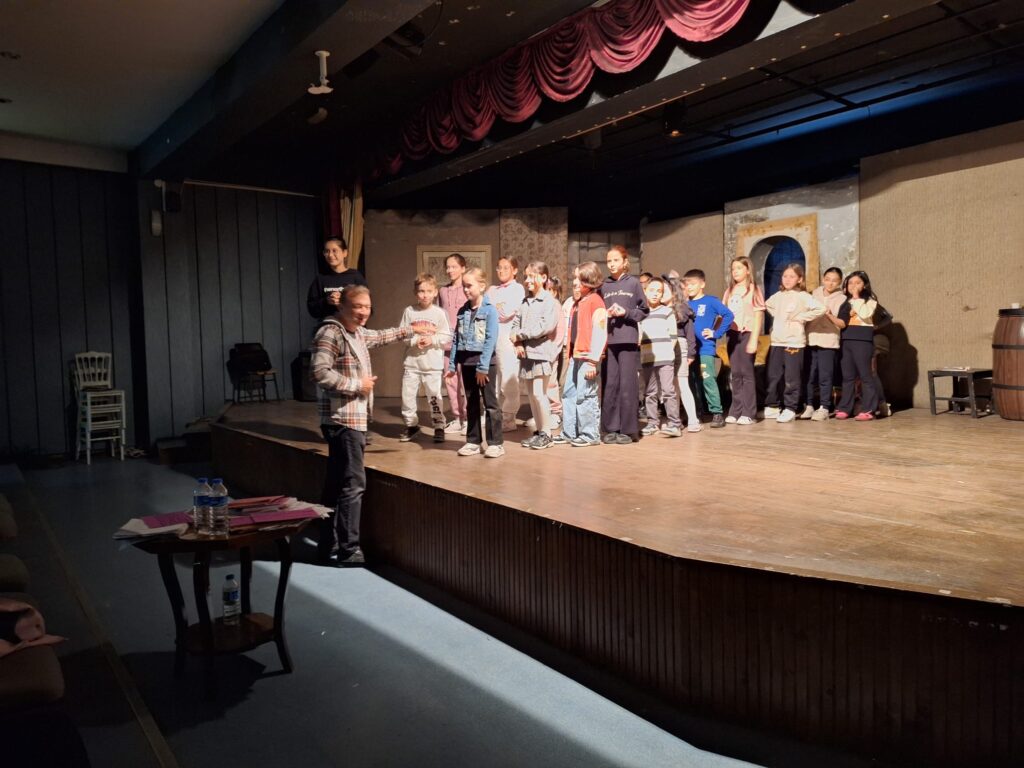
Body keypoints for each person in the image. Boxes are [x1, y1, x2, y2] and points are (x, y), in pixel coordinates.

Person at [311, 285, 415, 566]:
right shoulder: (331, 332)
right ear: (342, 306)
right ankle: (348, 550)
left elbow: (380, 336)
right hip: (343, 420)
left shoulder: (355, 332)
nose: (363, 312)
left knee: (337, 483)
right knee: (353, 483)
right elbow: (319, 372)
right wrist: (357, 385)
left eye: (367, 307)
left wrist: (411, 329)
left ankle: (328, 545)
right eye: (357, 306)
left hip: (351, 419)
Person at [448, 268, 504, 457]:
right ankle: (473, 441)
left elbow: (490, 340)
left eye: (469, 285)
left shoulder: (490, 311)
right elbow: (456, 339)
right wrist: (452, 365)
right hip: (467, 364)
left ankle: (496, 443)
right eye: (464, 286)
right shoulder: (462, 311)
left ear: (481, 286)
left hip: (485, 366)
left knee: (490, 404)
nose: (466, 289)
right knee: (471, 403)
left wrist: (483, 367)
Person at [599, 245, 649, 444]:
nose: (611, 264)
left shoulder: (633, 283)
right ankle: (611, 427)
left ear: (625, 262)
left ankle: (629, 430)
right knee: (610, 384)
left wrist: (626, 312)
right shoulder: (604, 285)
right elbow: (598, 312)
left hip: (627, 339)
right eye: (609, 261)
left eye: (616, 260)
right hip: (609, 341)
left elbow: (644, 310)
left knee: (628, 384)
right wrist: (605, 314)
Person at [764, 264, 825, 423]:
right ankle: (773, 405)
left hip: (794, 341)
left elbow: (821, 309)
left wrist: (801, 317)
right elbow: (768, 304)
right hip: (777, 341)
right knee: (774, 375)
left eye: (792, 276)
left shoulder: (803, 296)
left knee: (792, 377)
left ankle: (790, 408)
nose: (787, 279)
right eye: (785, 276)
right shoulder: (778, 295)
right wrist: (778, 318)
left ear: (799, 279)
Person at [511, 261, 561, 450]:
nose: (527, 280)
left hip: (541, 354)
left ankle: (547, 434)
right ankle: (540, 432)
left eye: (532, 276)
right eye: (525, 277)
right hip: (527, 355)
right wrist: (517, 342)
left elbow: (544, 327)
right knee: (532, 395)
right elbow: (514, 325)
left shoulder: (549, 301)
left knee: (540, 394)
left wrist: (520, 336)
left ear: (544, 277)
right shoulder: (525, 302)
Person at [399, 274, 452, 444]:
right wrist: (415, 340)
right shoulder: (409, 311)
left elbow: (446, 335)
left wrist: (432, 339)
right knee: (407, 397)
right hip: (412, 364)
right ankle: (411, 425)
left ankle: (439, 426)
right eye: (421, 291)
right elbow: (402, 335)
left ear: (435, 292)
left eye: (429, 291)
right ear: (416, 292)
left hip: (432, 366)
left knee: (434, 397)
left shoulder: (439, 313)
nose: (425, 295)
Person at [561, 262, 608, 447]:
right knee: (569, 394)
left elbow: (600, 332)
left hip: (588, 357)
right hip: (576, 355)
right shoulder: (579, 302)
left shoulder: (595, 301)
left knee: (586, 395)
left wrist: (592, 361)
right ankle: (569, 432)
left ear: (588, 279)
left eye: (578, 278)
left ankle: (590, 434)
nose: (574, 282)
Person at [682, 269, 734, 428]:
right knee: (691, 381)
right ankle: (696, 413)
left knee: (707, 378)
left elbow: (728, 315)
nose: (689, 287)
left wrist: (716, 333)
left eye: (693, 284)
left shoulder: (710, 301)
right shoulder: (685, 303)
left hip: (705, 348)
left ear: (702, 284)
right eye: (687, 284)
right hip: (689, 350)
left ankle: (717, 412)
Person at [722, 257, 765, 426]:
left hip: (747, 333)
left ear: (748, 270)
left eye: (739, 268)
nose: (735, 271)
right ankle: (736, 410)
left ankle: (749, 412)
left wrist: (754, 339)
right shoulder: (729, 291)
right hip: (732, 334)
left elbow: (758, 315)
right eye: (733, 268)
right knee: (735, 373)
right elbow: (723, 313)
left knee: (747, 373)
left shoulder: (754, 290)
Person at [486, 257, 525, 431]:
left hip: (507, 338)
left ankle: (509, 418)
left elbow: (506, 313)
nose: (501, 271)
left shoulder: (517, 289)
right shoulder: (491, 290)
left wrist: (493, 310)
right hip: (491, 338)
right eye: (499, 267)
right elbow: (484, 311)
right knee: (491, 379)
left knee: (508, 379)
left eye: (506, 267)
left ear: (514, 270)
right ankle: (492, 415)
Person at [835, 270, 881, 421]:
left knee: (865, 375)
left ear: (865, 285)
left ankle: (869, 409)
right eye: (850, 283)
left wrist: (856, 297)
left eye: (857, 283)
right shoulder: (845, 302)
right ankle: (845, 408)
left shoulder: (870, 302)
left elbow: (865, 314)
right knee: (847, 376)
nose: (853, 285)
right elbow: (841, 322)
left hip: (862, 340)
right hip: (846, 340)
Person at [639, 278, 681, 437]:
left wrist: (667, 351)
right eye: (652, 290)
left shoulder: (667, 312)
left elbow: (673, 336)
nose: (655, 294)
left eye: (659, 291)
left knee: (668, 390)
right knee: (650, 392)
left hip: (665, 358)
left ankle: (674, 424)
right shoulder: (641, 313)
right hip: (647, 358)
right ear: (645, 291)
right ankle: (652, 423)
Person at [803, 267, 846, 421]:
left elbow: (842, 323)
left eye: (834, 280)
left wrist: (829, 314)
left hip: (829, 341)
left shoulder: (842, 299)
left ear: (839, 282)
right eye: (827, 279)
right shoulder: (814, 294)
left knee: (825, 376)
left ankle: (824, 407)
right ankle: (809, 405)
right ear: (823, 279)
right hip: (811, 338)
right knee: (809, 375)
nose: (830, 283)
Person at [664, 272, 701, 432]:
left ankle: (693, 420)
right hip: (664, 346)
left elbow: (690, 333)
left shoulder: (682, 308)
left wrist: (691, 353)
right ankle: (675, 420)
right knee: (672, 387)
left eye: (665, 290)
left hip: (680, 345)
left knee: (683, 383)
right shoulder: (660, 309)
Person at [438, 253, 469, 435]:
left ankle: (468, 419)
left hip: (465, 342)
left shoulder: (468, 289)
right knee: (450, 381)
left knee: (466, 382)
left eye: (454, 267)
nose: (450, 270)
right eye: (448, 267)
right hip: (447, 343)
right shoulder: (442, 291)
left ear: (463, 268)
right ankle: (457, 418)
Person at [306, 236, 368, 321]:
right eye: (327, 251)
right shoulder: (320, 279)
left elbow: (367, 306)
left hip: (352, 326)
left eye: (334, 251)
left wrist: (345, 301)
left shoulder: (355, 276)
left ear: (344, 253)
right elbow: (312, 309)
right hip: (328, 326)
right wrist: (327, 301)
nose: (330, 255)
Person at [545, 276, 566, 426]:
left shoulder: (556, 306)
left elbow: (560, 333)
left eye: (549, 290)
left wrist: (553, 351)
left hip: (550, 352)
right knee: (542, 385)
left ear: (554, 292)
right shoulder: (543, 306)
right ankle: (543, 413)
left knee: (551, 383)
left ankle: (555, 413)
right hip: (540, 352)